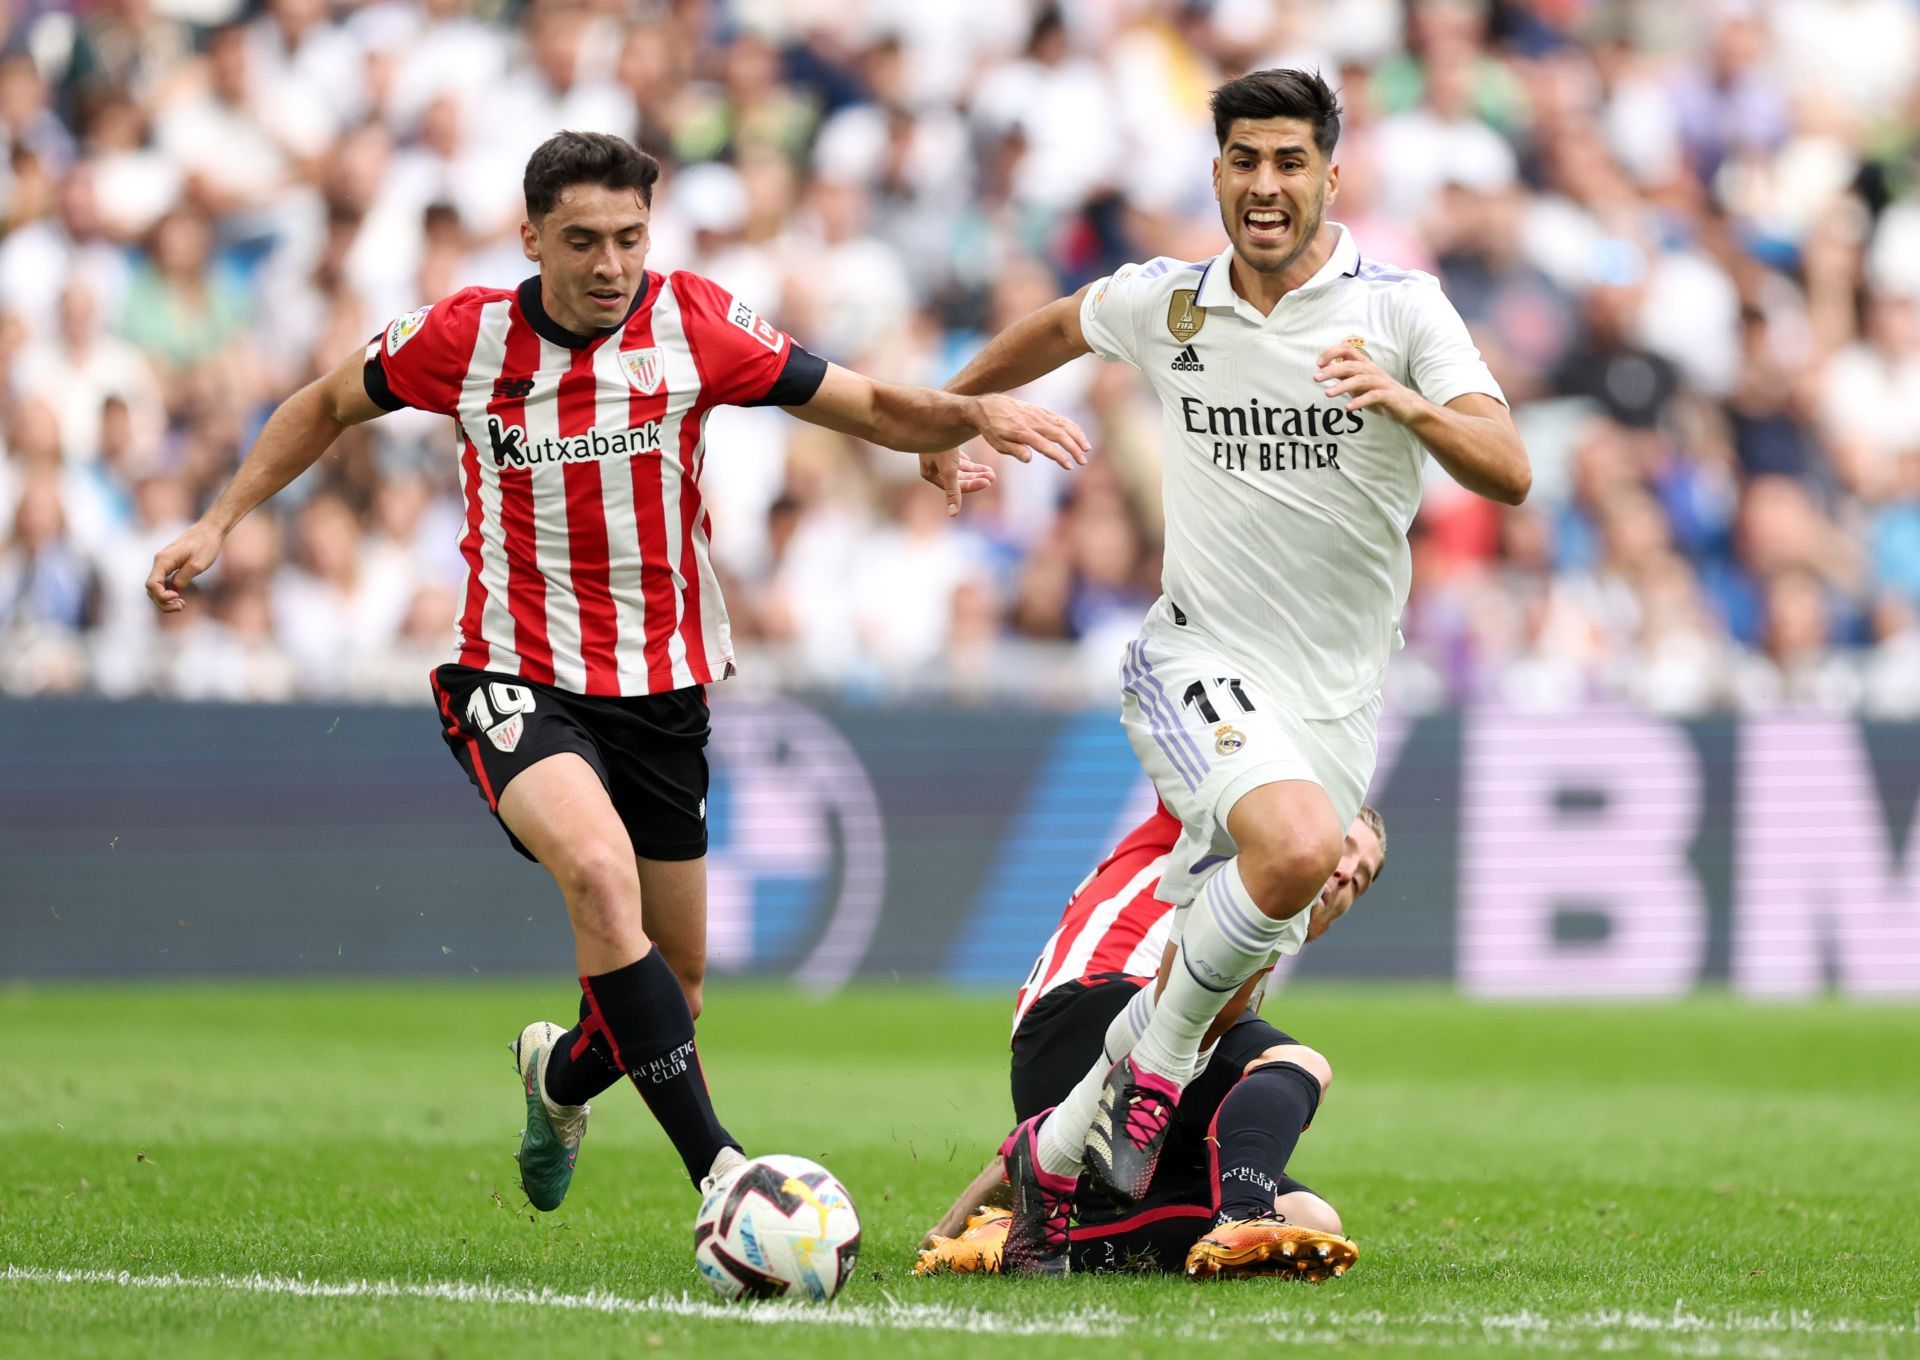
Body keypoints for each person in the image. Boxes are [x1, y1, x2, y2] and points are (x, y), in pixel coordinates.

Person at [146, 130, 1088, 1213]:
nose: (609, 264)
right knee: (598, 874)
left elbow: (867, 404)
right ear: (531, 238)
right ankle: (724, 1175)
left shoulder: (694, 322)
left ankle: (558, 1076)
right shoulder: (465, 338)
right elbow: (321, 404)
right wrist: (219, 520)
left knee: (671, 994)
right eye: (582, 240)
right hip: (513, 670)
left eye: (630, 238)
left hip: (661, 687)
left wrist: (966, 412)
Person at [927, 68, 1529, 1272]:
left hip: (1333, 706)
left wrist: (1405, 403)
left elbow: (1508, 468)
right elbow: (1055, 326)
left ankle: (1063, 1152)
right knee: (1307, 846)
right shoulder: (1169, 304)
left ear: (1329, 177)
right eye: (1245, 161)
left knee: (1302, 859)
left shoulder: (1404, 310)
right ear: (1216, 175)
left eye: (1289, 162)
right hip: (1188, 655)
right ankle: (1149, 1073)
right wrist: (949, 416)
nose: (1266, 185)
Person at [916, 799, 1385, 1279]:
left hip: (1096, 1083)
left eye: (1363, 877)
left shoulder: (1249, 958)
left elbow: (1063, 1125)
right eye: (1342, 847)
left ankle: (1006, 1247)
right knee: (1299, 1065)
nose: (1347, 872)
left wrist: (948, 1226)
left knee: (1312, 1221)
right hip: (1097, 999)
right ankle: (1241, 1219)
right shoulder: (1216, 819)